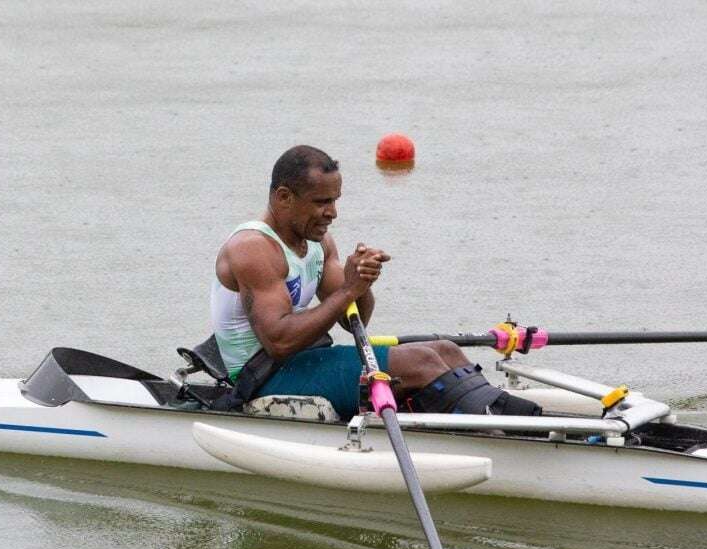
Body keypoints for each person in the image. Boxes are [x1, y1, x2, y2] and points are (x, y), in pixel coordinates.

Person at [211, 145, 540, 420]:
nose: (332, 213)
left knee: (446, 350)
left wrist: (363, 281)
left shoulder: (318, 243)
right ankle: (501, 429)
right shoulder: (253, 248)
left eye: (335, 200)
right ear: (284, 197)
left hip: (304, 359)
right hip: (263, 376)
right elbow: (279, 341)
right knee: (421, 363)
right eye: (321, 202)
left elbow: (352, 321)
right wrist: (348, 289)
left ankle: (509, 418)